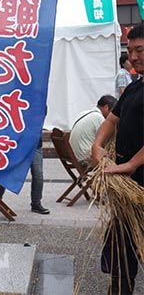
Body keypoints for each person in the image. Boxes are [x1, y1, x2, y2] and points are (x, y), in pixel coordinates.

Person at [92, 24, 144, 295]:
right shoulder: (135, 87)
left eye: (140, 50)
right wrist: (98, 146)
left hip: (141, 187)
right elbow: (112, 120)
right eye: (130, 50)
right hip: (127, 189)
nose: (133, 56)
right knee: (121, 253)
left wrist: (133, 163)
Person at [0, 137, 49, 214]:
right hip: (19, 143)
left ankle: (36, 203)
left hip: (33, 145)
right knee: (6, 170)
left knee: (38, 175)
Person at [69, 95, 117, 168]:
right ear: (106, 107)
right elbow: (106, 140)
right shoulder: (99, 118)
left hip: (74, 155)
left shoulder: (84, 113)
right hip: (84, 157)